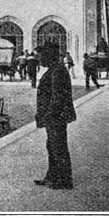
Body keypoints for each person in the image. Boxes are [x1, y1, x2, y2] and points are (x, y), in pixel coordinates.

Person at [34, 42, 76, 190]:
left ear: (48, 56)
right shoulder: (55, 70)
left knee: (58, 147)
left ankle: (64, 180)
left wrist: (48, 115)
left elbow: (57, 98)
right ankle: (52, 176)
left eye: (41, 56)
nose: (39, 59)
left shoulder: (57, 71)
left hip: (55, 116)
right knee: (52, 146)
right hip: (53, 116)